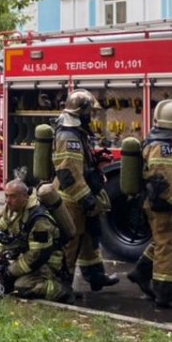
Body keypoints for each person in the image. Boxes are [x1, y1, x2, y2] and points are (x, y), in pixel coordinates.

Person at [126, 99, 172, 310]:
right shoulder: (161, 147)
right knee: (168, 246)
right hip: (164, 205)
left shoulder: (162, 142)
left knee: (163, 241)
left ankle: (141, 273)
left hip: (160, 204)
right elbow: (166, 183)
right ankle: (166, 295)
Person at [53, 90, 119, 292]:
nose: (91, 116)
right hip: (71, 198)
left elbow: (79, 165)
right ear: (80, 112)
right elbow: (68, 173)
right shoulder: (68, 135)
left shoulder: (78, 132)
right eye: (89, 112)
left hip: (81, 193)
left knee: (90, 237)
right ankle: (62, 286)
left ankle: (95, 276)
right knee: (71, 242)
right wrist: (86, 199)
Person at [0, 179, 72, 302]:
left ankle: (62, 290)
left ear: (24, 197)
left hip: (47, 261)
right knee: (3, 282)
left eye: (12, 196)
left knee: (22, 287)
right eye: (6, 196)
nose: (8, 200)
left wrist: (11, 271)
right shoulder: (10, 210)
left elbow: (37, 256)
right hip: (26, 257)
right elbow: (0, 233)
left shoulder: (39, 220)